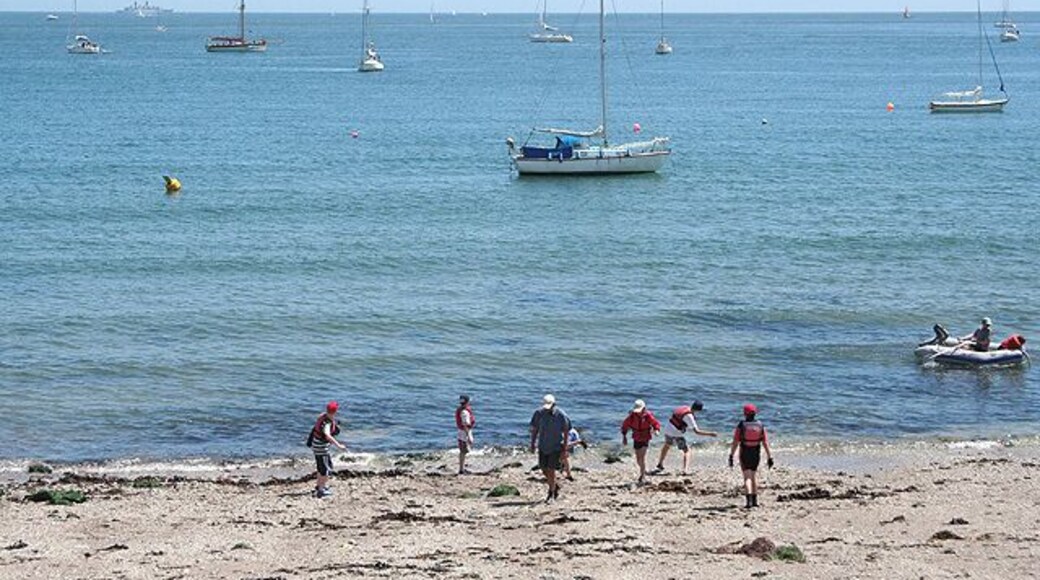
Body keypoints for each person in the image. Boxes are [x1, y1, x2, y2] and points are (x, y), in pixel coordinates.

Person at [728, 404, 773, 509]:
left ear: (744, 413)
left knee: (747, 477)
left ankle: (748, 502)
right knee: (753, 476)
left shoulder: (741, 425)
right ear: (755, 413)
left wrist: (731, 455)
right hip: (756, 452)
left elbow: (735, 442)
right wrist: (769, 457)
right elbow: (765, 443)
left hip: (745, 452)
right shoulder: (761, 425)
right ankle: (755, 501)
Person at [654, 400, 718, 475]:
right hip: (676, 433)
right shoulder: (689, 416)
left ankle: (660, 463)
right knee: (686, 451)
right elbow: (697, 432)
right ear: (698, 410)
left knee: (667, 445)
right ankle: (685, 470)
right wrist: (711, 434)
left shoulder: (683, 408)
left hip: (668, 429)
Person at [529, 394, 572, 503]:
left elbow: (566, 431)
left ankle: (551, 493)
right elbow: (535, 429)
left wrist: (565, 449)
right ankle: (555, 486)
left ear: (554, 405)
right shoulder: (538, 414)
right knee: (543, 468)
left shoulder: (561, 415)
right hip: (543, 445)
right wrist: (533, 443)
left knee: (551, 469)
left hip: (555, 446)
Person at [307, 401, 346, 499]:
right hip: (321, 449)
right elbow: (327, 435)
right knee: (326, 470)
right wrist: (338, 445)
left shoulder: (323, 416)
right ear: (335, 411)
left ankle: (319, 486)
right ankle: (321, 490)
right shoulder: (327, 423)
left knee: (321, 467)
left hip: (316, 446)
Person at [620, 399, 661, 484]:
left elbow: (655, 423)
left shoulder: (648, 415)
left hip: (645, 437)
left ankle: (642, 476)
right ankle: (643, 470)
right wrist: (624, 437)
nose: (638, 412)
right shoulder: (631, 416)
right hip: (636, 438)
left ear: (643, 408)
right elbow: (625, 426)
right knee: (638, 459)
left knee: (642, 457)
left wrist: (656, 430)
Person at [455, 394, 475, 475]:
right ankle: (461, 470)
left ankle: (462, 468)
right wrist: (469, 436)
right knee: (464, 451)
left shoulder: (461, 410)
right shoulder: (465, 412)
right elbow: (465, 424)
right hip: (464, 432)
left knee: (463, 451)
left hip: (461, 432)